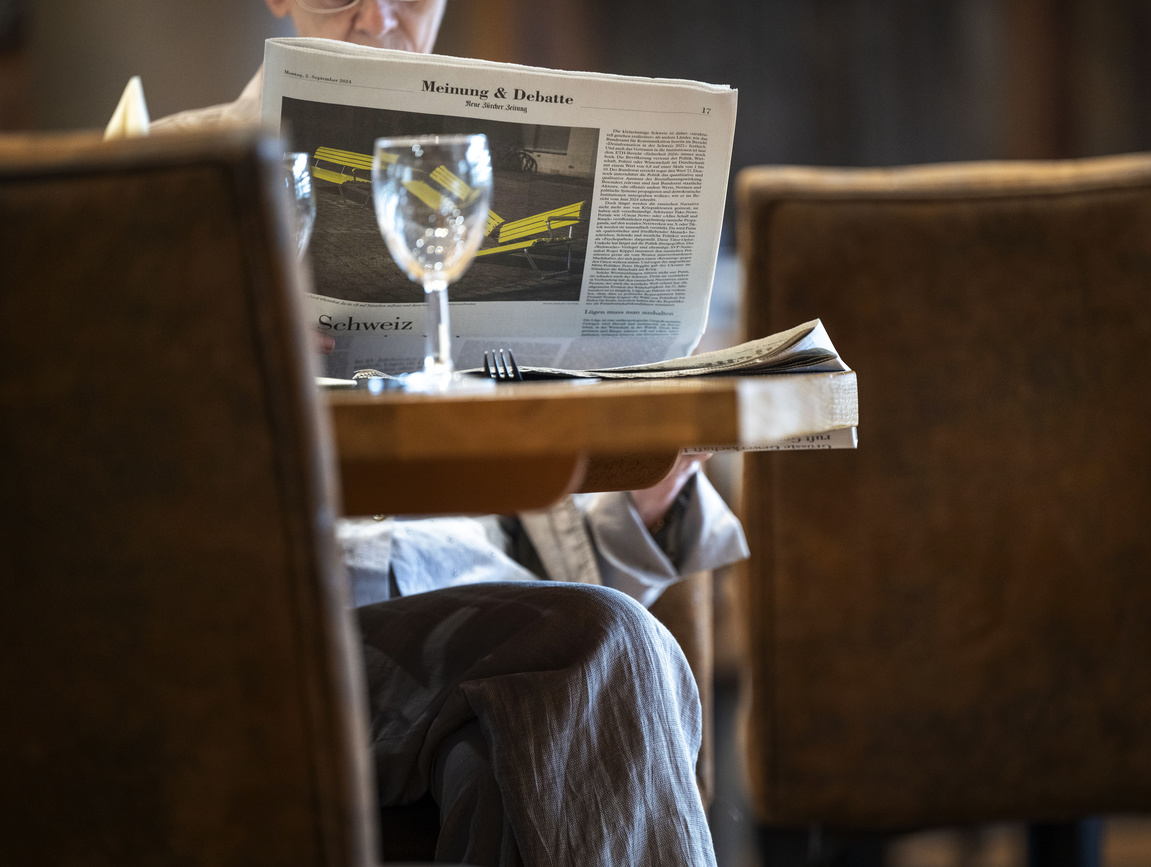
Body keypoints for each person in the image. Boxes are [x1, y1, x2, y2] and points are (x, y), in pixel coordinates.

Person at [155, 2, 749, 865]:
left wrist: (645, 490)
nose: (378, 16)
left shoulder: (479, 182)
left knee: (519, 740)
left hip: (484, 609)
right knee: (596, 651)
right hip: (292, 613)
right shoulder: (167, 172)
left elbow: (560, 566)